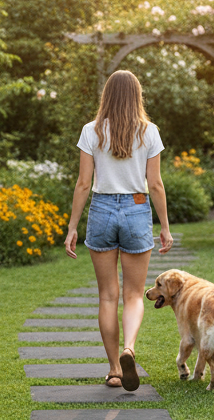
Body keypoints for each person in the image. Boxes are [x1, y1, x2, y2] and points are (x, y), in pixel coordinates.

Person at [64, 69, 173, 391]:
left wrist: (72, 227)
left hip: (101, 209)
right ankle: (130, 349)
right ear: (136, 95)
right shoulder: (149, 131)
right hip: (137, 208)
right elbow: (154, 184)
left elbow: (84, 183)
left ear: (107, 95)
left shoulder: (91, 131)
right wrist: (165, 227)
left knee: (108, 296)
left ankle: (114, 370)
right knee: (134, 294)